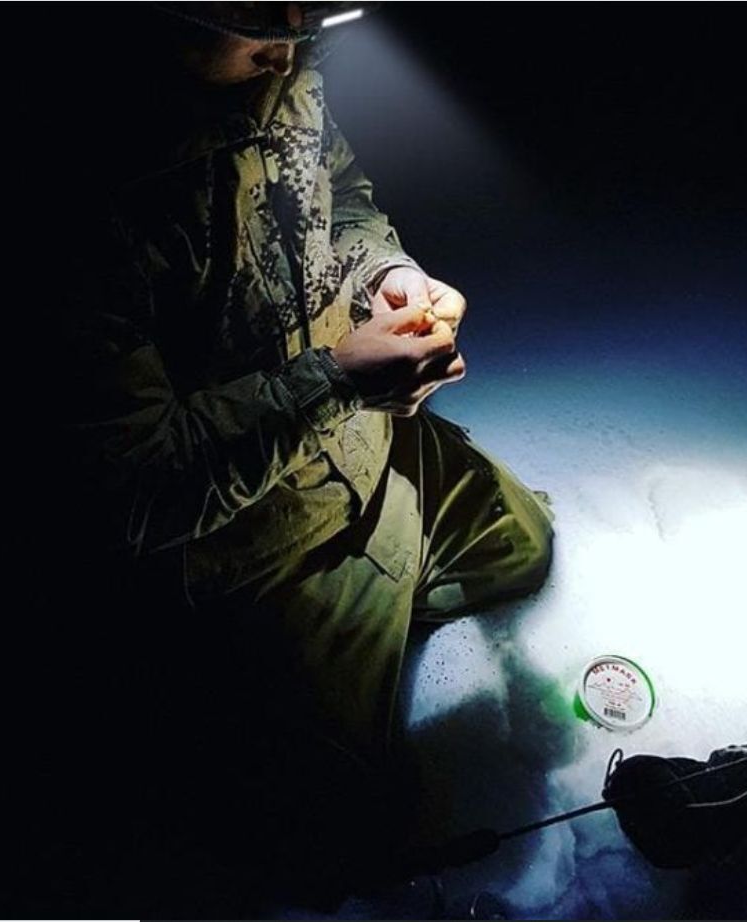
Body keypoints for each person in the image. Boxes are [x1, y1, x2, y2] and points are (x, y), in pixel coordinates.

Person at [35, 1, 554, 907]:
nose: (289, 52)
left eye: (306, 20)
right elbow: (133, 488)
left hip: (365, 450)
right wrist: (337, 383)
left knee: (524, 548)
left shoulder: (281, 68)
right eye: (258, 28)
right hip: (247, 549)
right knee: (326, 840)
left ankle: (373, 634)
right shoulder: (79, 191)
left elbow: (339, 194)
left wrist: (386, 275)